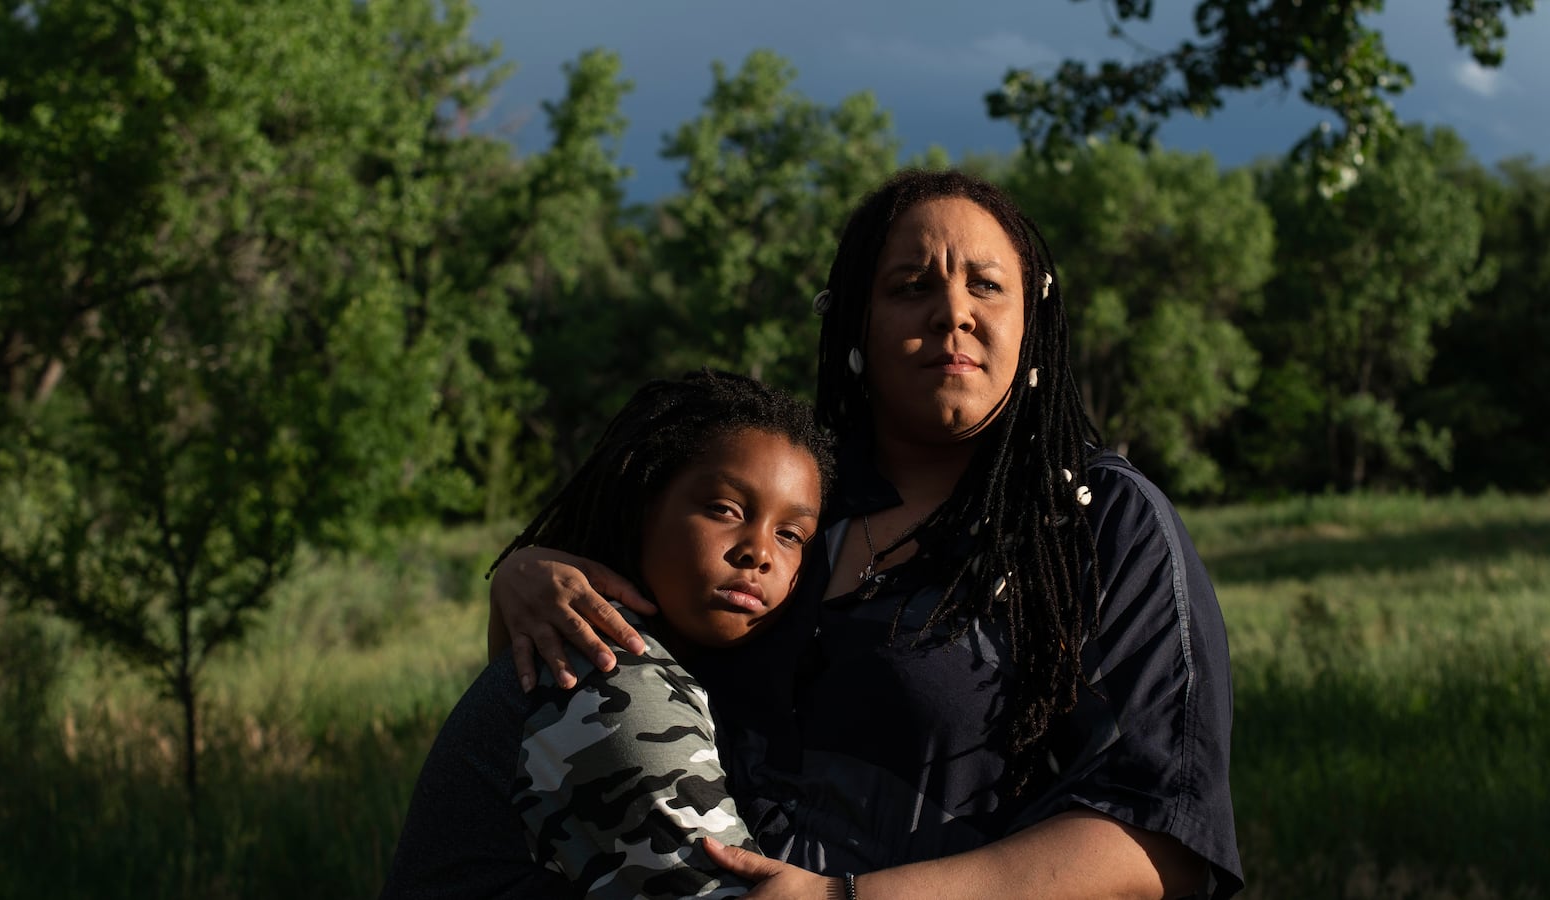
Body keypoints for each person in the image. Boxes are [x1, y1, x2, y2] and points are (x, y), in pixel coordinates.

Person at [491, 169, 1243, 899]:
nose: (953, 312)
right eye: (912, 286)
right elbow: (585, 670)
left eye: (986, 285)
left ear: (1032, 322)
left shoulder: (1100, 519)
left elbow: (1165, 839)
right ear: (856, 322)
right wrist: (525, 578)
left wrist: (846, 898)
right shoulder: (785, 496)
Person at [381, 370, 835, 899]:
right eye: (724, 509)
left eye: (790, 534)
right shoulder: (611, 683)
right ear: (643, 502)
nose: (758, 552)